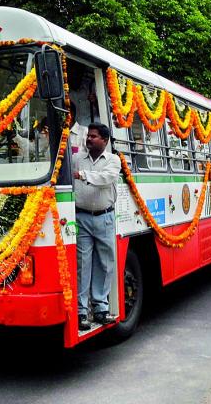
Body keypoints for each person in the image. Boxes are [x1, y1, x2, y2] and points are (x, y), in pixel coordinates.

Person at [73, 122, 121, 331]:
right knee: (83, 264)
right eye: (88, 136)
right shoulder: (76, 160)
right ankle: (81, 312)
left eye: (94, 136)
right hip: (82, 217)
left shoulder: (113, 160)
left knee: (104, 263)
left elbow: (106, 179)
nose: (89, 139)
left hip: (105, 218)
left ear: (105, 140)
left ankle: (100, 309)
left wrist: (84, 176)